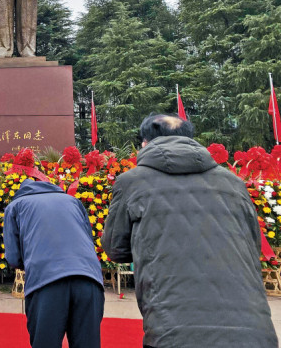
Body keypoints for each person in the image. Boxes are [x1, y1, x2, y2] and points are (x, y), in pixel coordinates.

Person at [101, 114, 278, 348]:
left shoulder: (132, 181)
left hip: (174, 330)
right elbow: (252, 245)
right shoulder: (232, 183)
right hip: (252, 331)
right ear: (190, 139)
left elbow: (116, 249)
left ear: (145, 143)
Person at [3, 179, 104, 348]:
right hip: (89, 278)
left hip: (46, 281)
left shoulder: (16, 205)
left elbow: (13, 257)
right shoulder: (73, 201)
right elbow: (88, 237)